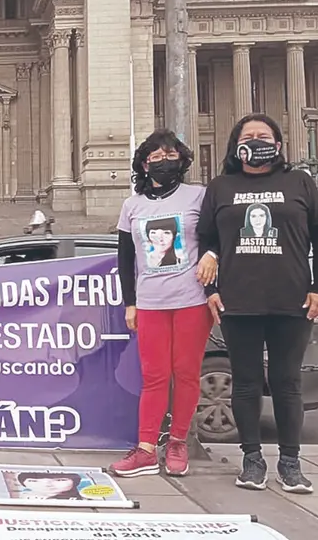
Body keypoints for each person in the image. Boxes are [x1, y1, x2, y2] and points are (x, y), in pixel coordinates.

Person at [197, 113, 318, 495]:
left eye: (264, 135)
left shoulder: (300, 183)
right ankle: (251, 459)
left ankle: (290, 462)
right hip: (238, 301)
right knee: (246, 383)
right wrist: (211, 285)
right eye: (249, 135)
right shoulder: (221, 187)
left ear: (277, 144)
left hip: (291, 300)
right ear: (236, 145)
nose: (257, 141)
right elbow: (206, 239)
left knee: (287, 383)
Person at [109, 130, 216, 479]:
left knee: (186, 374)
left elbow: (216, 238)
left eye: (170, 154)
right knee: (154, 377)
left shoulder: (198, 196)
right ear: (144, 163)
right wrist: (131, 303)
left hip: (191, 300)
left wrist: (212, 256)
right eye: (155, 156)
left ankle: (177, 443)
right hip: (151, 302)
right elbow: (125, 258)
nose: (163, 160)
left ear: (182, 160)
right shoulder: (132, 205)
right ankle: (144, 450)